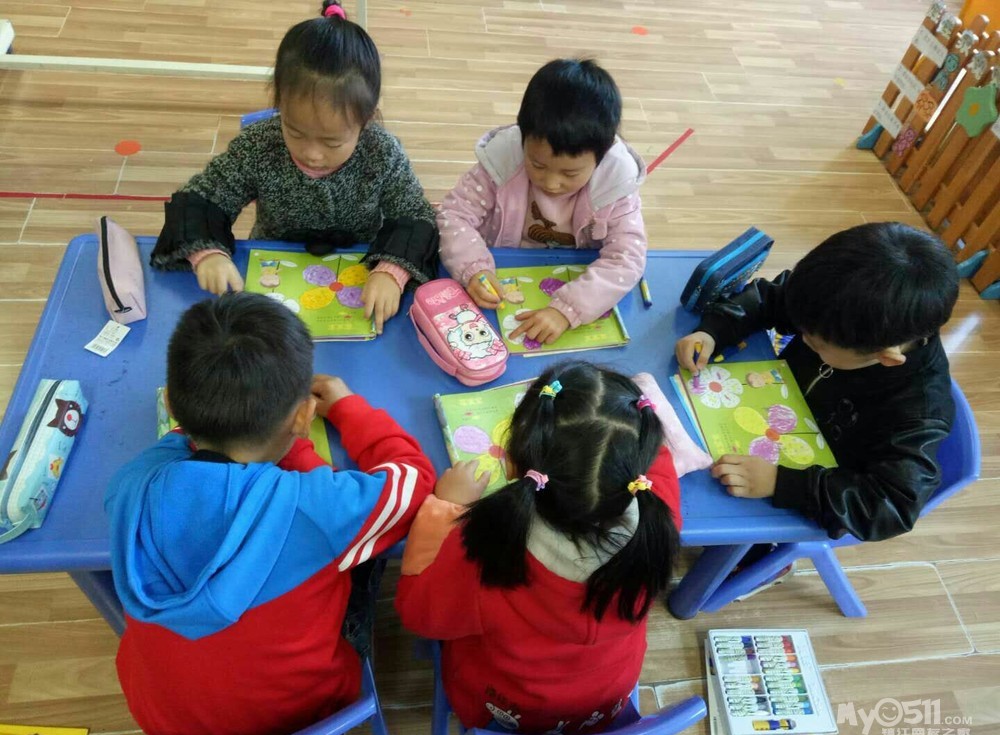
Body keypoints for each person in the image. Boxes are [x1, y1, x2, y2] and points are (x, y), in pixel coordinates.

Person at [105, 293, 435, 735]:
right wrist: (345, 409)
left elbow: (187, 447)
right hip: (299, 721)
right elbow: (413, 479)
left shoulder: (130, 484)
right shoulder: (316, 507)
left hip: (165, 726)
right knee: (367, 558)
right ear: (304, 416)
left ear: (174, 409)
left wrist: (261, 433)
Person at [395, 362, 681, 735]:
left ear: (512, 464)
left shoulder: (487, 550)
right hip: (604, 706)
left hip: (503, 714)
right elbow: (658, 460)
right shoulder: (658, 519)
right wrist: (624, 421)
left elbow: (418, 614)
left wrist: (445, 509)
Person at [150, 0, 437, 333]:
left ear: (366, 120)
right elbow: (203, 198)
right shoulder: (259, 146)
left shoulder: (382, 153)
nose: (312, 154)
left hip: (359, 273)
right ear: (279, 105)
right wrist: (208, 254)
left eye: (332, 142)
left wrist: (391, 272)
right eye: (295, 132)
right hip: (272, 266)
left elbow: (415, 215)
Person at [675, 222, 960, 542]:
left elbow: (890, 506)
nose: (803, 337)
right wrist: (714, 330)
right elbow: (770, 297)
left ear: (886, 358)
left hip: (803, 492)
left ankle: (762, 556)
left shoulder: (919, 409)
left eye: (816, 343)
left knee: (721, 525)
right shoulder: (837, 306)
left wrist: (782, 483)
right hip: (763, 416)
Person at [437, 58, 647, 345]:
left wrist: (567, 309)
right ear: (523, 138)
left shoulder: (615, 185)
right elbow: (455, 214)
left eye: (570, 173)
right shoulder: (502, 162)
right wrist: (474, 268)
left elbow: (627, 258)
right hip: (501, 266)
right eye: (537, 164)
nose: (551, 183)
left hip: (576, 281)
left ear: (601, 156)